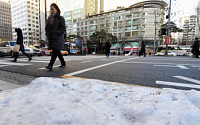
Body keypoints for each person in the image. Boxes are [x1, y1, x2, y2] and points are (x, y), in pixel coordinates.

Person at [45, 3, 66, 71]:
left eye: (52, 9)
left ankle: (50, 65)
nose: (51, 10)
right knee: (57, 51)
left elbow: (63, 27)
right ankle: (63, 63)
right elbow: (47, 27)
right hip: (51, 37)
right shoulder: (49, 18)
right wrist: (47, 33)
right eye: (50, 9)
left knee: (55, 51)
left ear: (56, 9)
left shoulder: (60, 18)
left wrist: (57, 33)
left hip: (58, 37)